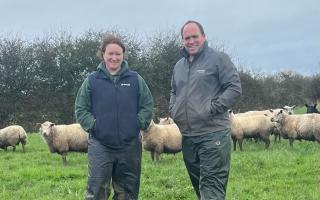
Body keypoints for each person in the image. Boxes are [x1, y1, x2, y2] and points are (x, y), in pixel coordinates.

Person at [75, 34, 154, 200]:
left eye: (118, 54)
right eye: (110, 53)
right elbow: (81, 109)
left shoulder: (135, 79)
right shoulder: (92, 80)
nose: (114, 57)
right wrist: (95, 126)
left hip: (130, 145)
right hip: (100, 145)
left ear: (123, 55)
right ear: (103, 54)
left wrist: (137, 124)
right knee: (97, 191)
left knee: (127, 191)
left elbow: (147, 106)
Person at [169, 20, 242, 200]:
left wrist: (212, 108)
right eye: (187, 38)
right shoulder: (179, 66)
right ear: (182, 40)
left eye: (195, 37)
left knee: (211, 189)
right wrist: (174, 109)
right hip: (188, 136)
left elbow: (234, 87)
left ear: (204, 37)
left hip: (213, 134)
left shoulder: (218, 59)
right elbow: (173, 90)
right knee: (200, 188)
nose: (191, 41)